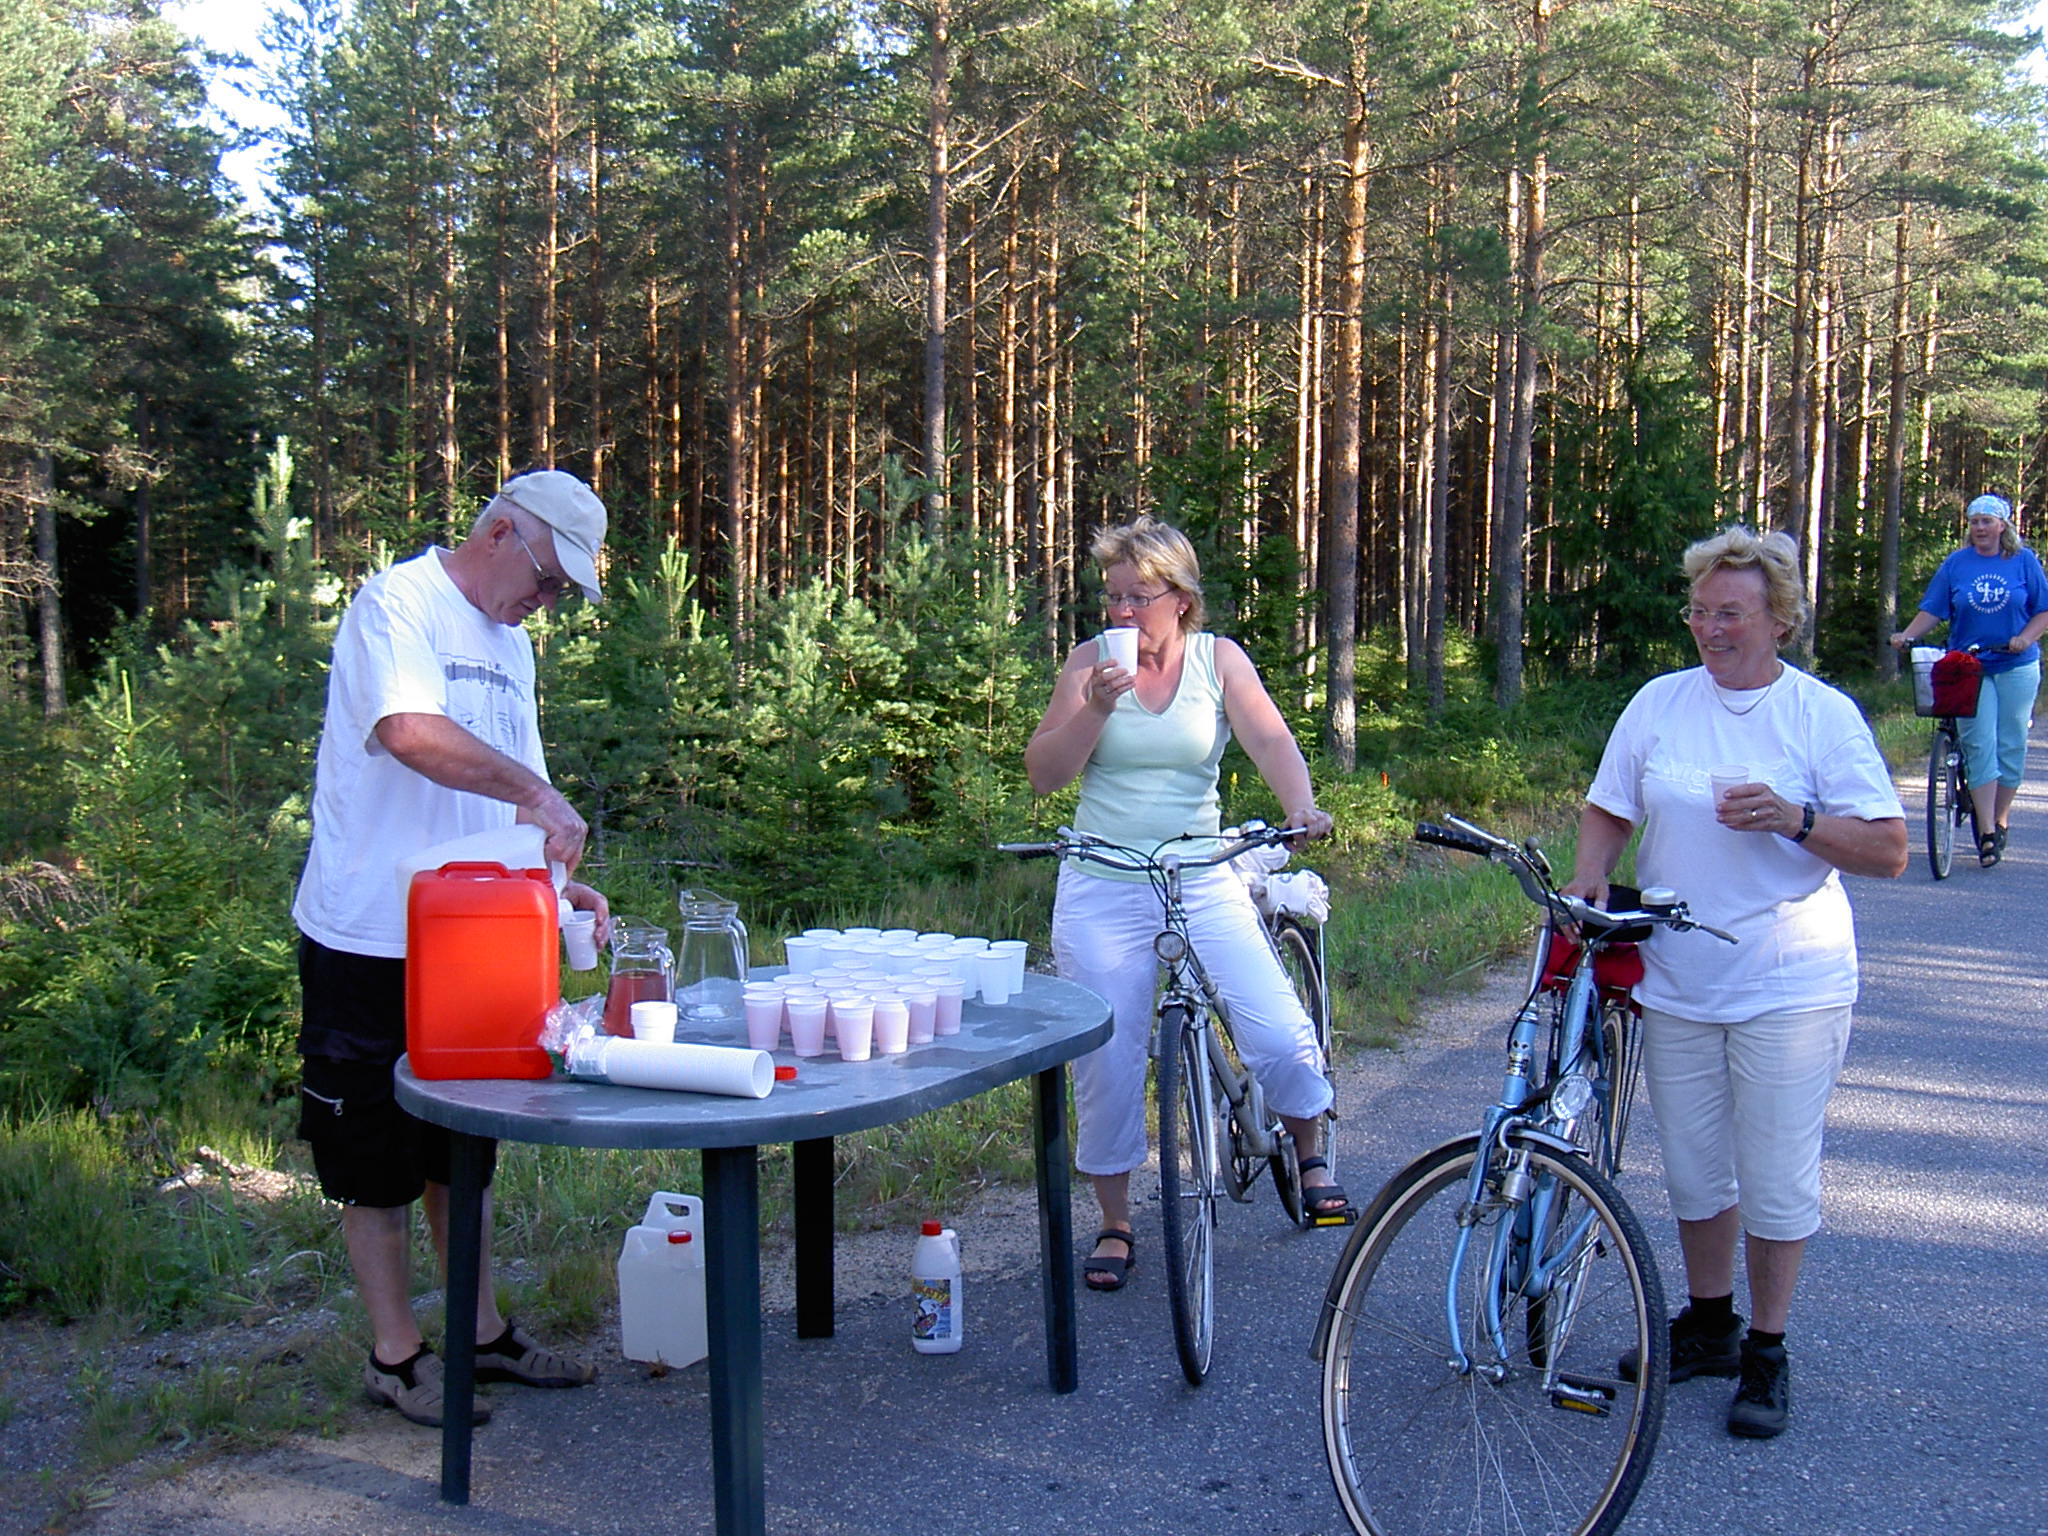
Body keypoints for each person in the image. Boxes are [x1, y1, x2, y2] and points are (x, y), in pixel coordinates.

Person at [1562, 526, 1905, 1439]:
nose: (1711, 630)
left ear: (1779, 621)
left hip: (1791, 977)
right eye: (1700, 612)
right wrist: (1592, 875)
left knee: (1777, 1176)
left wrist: (1796, 821)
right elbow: (1610, 802)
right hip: (1678, 976)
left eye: (1731, 614)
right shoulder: (1661, 703)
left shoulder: (1820, 716)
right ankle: (1707, 1325)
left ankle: (1767, 1347)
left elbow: (1888, 850)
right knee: (1693, 1171)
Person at [292, 469, 614, 1427]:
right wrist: (535, 798)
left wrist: (556, 884)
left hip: (476, 940)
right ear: (501, 533)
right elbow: (409, 732)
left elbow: (523, 793)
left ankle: (480, 1336)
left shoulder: (511, 644)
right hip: (370, 933)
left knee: (461, 1146)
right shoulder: (400, 605)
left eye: (562, 591)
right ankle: (397, 1357)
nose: (549, 602)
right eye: (551, 579)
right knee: (370, 1154)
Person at [1023, 515, 1343, 1293]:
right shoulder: (1088, 664)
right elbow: (1043, 775)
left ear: (1180, 598)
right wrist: (1096, 708)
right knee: (1106, 1054)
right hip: (1103, 880)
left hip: (1199, 872)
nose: (1123, 613)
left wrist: (1300, 805)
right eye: (1114, 599)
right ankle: (1116, 1220)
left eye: (1139, 597)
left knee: (1275, 1026)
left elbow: (1268, 739)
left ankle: (1310, 1153)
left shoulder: (1218, 660)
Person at [1888, 493, 2048, 866]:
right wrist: (1907, 635)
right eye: (1974, 521)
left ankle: (1999, 817)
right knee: (1979, 745)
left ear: (2002, 526)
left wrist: (2025, 637)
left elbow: (2043, 610)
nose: (1980, 528)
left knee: (2011, 746)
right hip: (1969, 664)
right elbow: (1933, 608)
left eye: (1987, 521)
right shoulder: (1957, 564)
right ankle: (1987, 832)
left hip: (2016, 663)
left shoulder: (2023, 562)